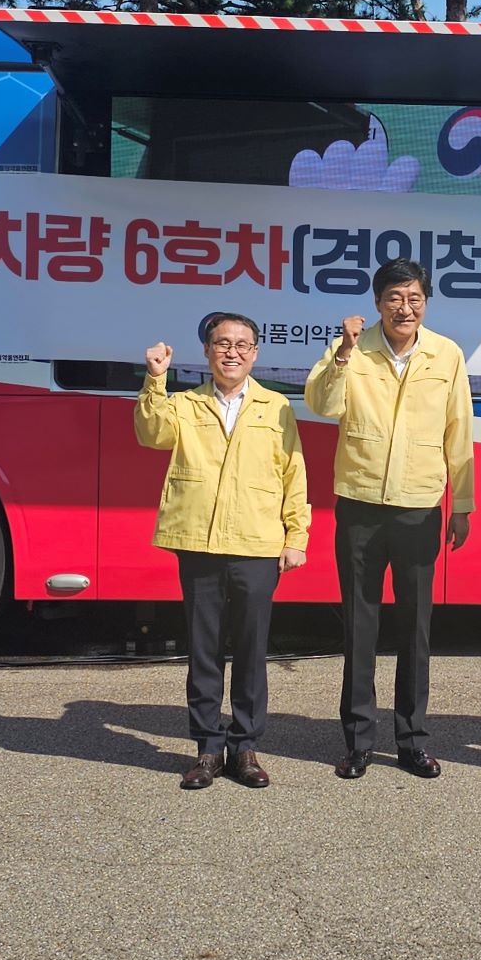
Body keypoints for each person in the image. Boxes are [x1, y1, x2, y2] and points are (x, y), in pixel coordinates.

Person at [304, 258, 474, 779]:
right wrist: (344, 353)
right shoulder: (352, 350)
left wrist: (460, 505)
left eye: (415, 297)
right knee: (360, 625)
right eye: (395, 299)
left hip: (420, 505)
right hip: (359, 504)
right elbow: (321, 403)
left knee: (415, 629)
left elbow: (459, 430)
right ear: (377, 304)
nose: (406, 307)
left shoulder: (446, 354)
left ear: (426, 302)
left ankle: (412, 740)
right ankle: (357, 740)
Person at [134, 312, 309, 790]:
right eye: (222, 343)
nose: (232, 351)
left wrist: (297, 537)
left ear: (255, 354)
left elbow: (294, 473)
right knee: (204, 650)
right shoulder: (185, 404)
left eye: (242, 344)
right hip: (200, 542)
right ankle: (209, 749)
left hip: (256, 543)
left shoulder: (275, 407)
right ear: (208, 352)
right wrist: (155, 379)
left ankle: (246, 748)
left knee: (252, 652)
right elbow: (151, 434)